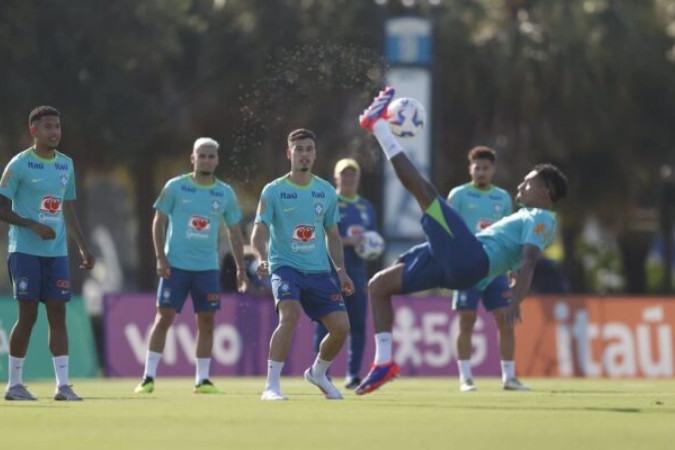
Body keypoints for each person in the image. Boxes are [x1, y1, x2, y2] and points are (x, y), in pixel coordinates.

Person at [355, 87, 567, 396]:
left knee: (424, 192)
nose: (522, 183)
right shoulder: (527, 216)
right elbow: (516, 253)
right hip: (459, 262)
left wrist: (515, 300)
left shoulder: (542, 217)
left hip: (471, 259)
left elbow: (530, 258)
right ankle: (383, 362)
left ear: (545, 191)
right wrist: (509, 271)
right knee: (378, 286)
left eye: (529, 181)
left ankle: (380, 128)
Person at [134, 137, 249, 395]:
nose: (207, 159)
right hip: (175, 266)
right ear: (193, 158)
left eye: (211, 156)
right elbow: (158, 221)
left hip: (207, 268)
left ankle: (202, 380)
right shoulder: (175, 187)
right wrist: (160, 257)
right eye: (202, 155)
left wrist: (241, 268)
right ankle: (147, 377)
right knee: (164, 318)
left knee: (207, 321)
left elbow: (234, 232)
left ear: (217, 160)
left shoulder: (225, 193)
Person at [251, 128, 355, 401]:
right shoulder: (273, 191)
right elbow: (259, 230)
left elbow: (333, 235)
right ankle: (271, 386)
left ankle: (317, 373)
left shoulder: (326, 192)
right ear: (289, 153)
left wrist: (341, 271)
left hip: (319, 271)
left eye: (309, 149)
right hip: (286, 267)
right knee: (290, 315)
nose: (304, 155)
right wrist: (261, 258)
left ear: (315, 154)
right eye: (299, 150)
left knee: (342, 327)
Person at [0, 106, 95, 401]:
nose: (54, 132)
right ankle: (14, 384)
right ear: (34, 131)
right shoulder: (19, 165)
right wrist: (31, 224)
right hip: (25, 251)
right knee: (27, 315)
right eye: (48, 127)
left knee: (58, 313)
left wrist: (82, 245)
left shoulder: (66, 164)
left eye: (58, 126)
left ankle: (62, 386)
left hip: (56, 255)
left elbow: (67, 207)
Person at [447, 146, 528, 392]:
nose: (481, 172)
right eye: (477, 167)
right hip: (468, 268)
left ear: (493, 170)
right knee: (466, 321)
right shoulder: (459, 195)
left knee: (505, 320)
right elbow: (447, 229)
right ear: (470, 169)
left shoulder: (502, 198)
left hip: (496, 268)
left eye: (486, 168)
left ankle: (509, 377)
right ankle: (465, 378)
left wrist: (513, 267)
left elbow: (510, 235)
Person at [313, 158, 377, 389]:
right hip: (329, 272)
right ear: (336, 177)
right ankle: (322, 372)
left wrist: (371, 245)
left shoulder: (367, 207)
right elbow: (321, 235)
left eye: (353, 175)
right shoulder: (329, 201)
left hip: (358, 273)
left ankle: (352, 375)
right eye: (344, 174)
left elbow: (371, 242)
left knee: (358, 324)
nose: (349, 179)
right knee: (325, 323)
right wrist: (349, 241)